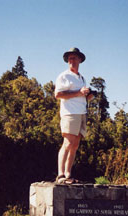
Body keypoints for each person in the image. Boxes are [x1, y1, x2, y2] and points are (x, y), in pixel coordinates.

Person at [54, 47, 94, 184]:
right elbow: (58, 95)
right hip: (70, 114)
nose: (72, 60)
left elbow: (81, 96)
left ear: (80, 60)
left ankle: (68, 174)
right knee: (68, 142)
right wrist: (78, 93)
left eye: (74, 58)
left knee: (75, 145)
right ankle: (60, 175)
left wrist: (88, 96)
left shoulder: (81, 78)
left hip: (81, 114)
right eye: (70, 58)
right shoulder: (64, 76)